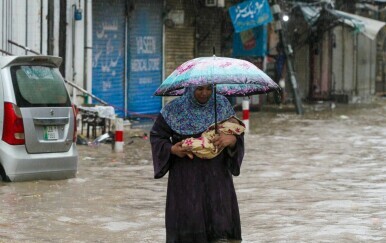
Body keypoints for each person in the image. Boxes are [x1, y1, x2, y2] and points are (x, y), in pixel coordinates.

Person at [150, 84, 245, 243]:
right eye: (199, 89)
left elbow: (236, 133)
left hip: (218, 179)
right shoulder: (173, 110)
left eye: (209, 89)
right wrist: (172, 149)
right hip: (186, 179)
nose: (204, 93)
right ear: (190, 88)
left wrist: (232, 140)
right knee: (188, 225)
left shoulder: (222, 106)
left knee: (221, 227)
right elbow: (157, 137)